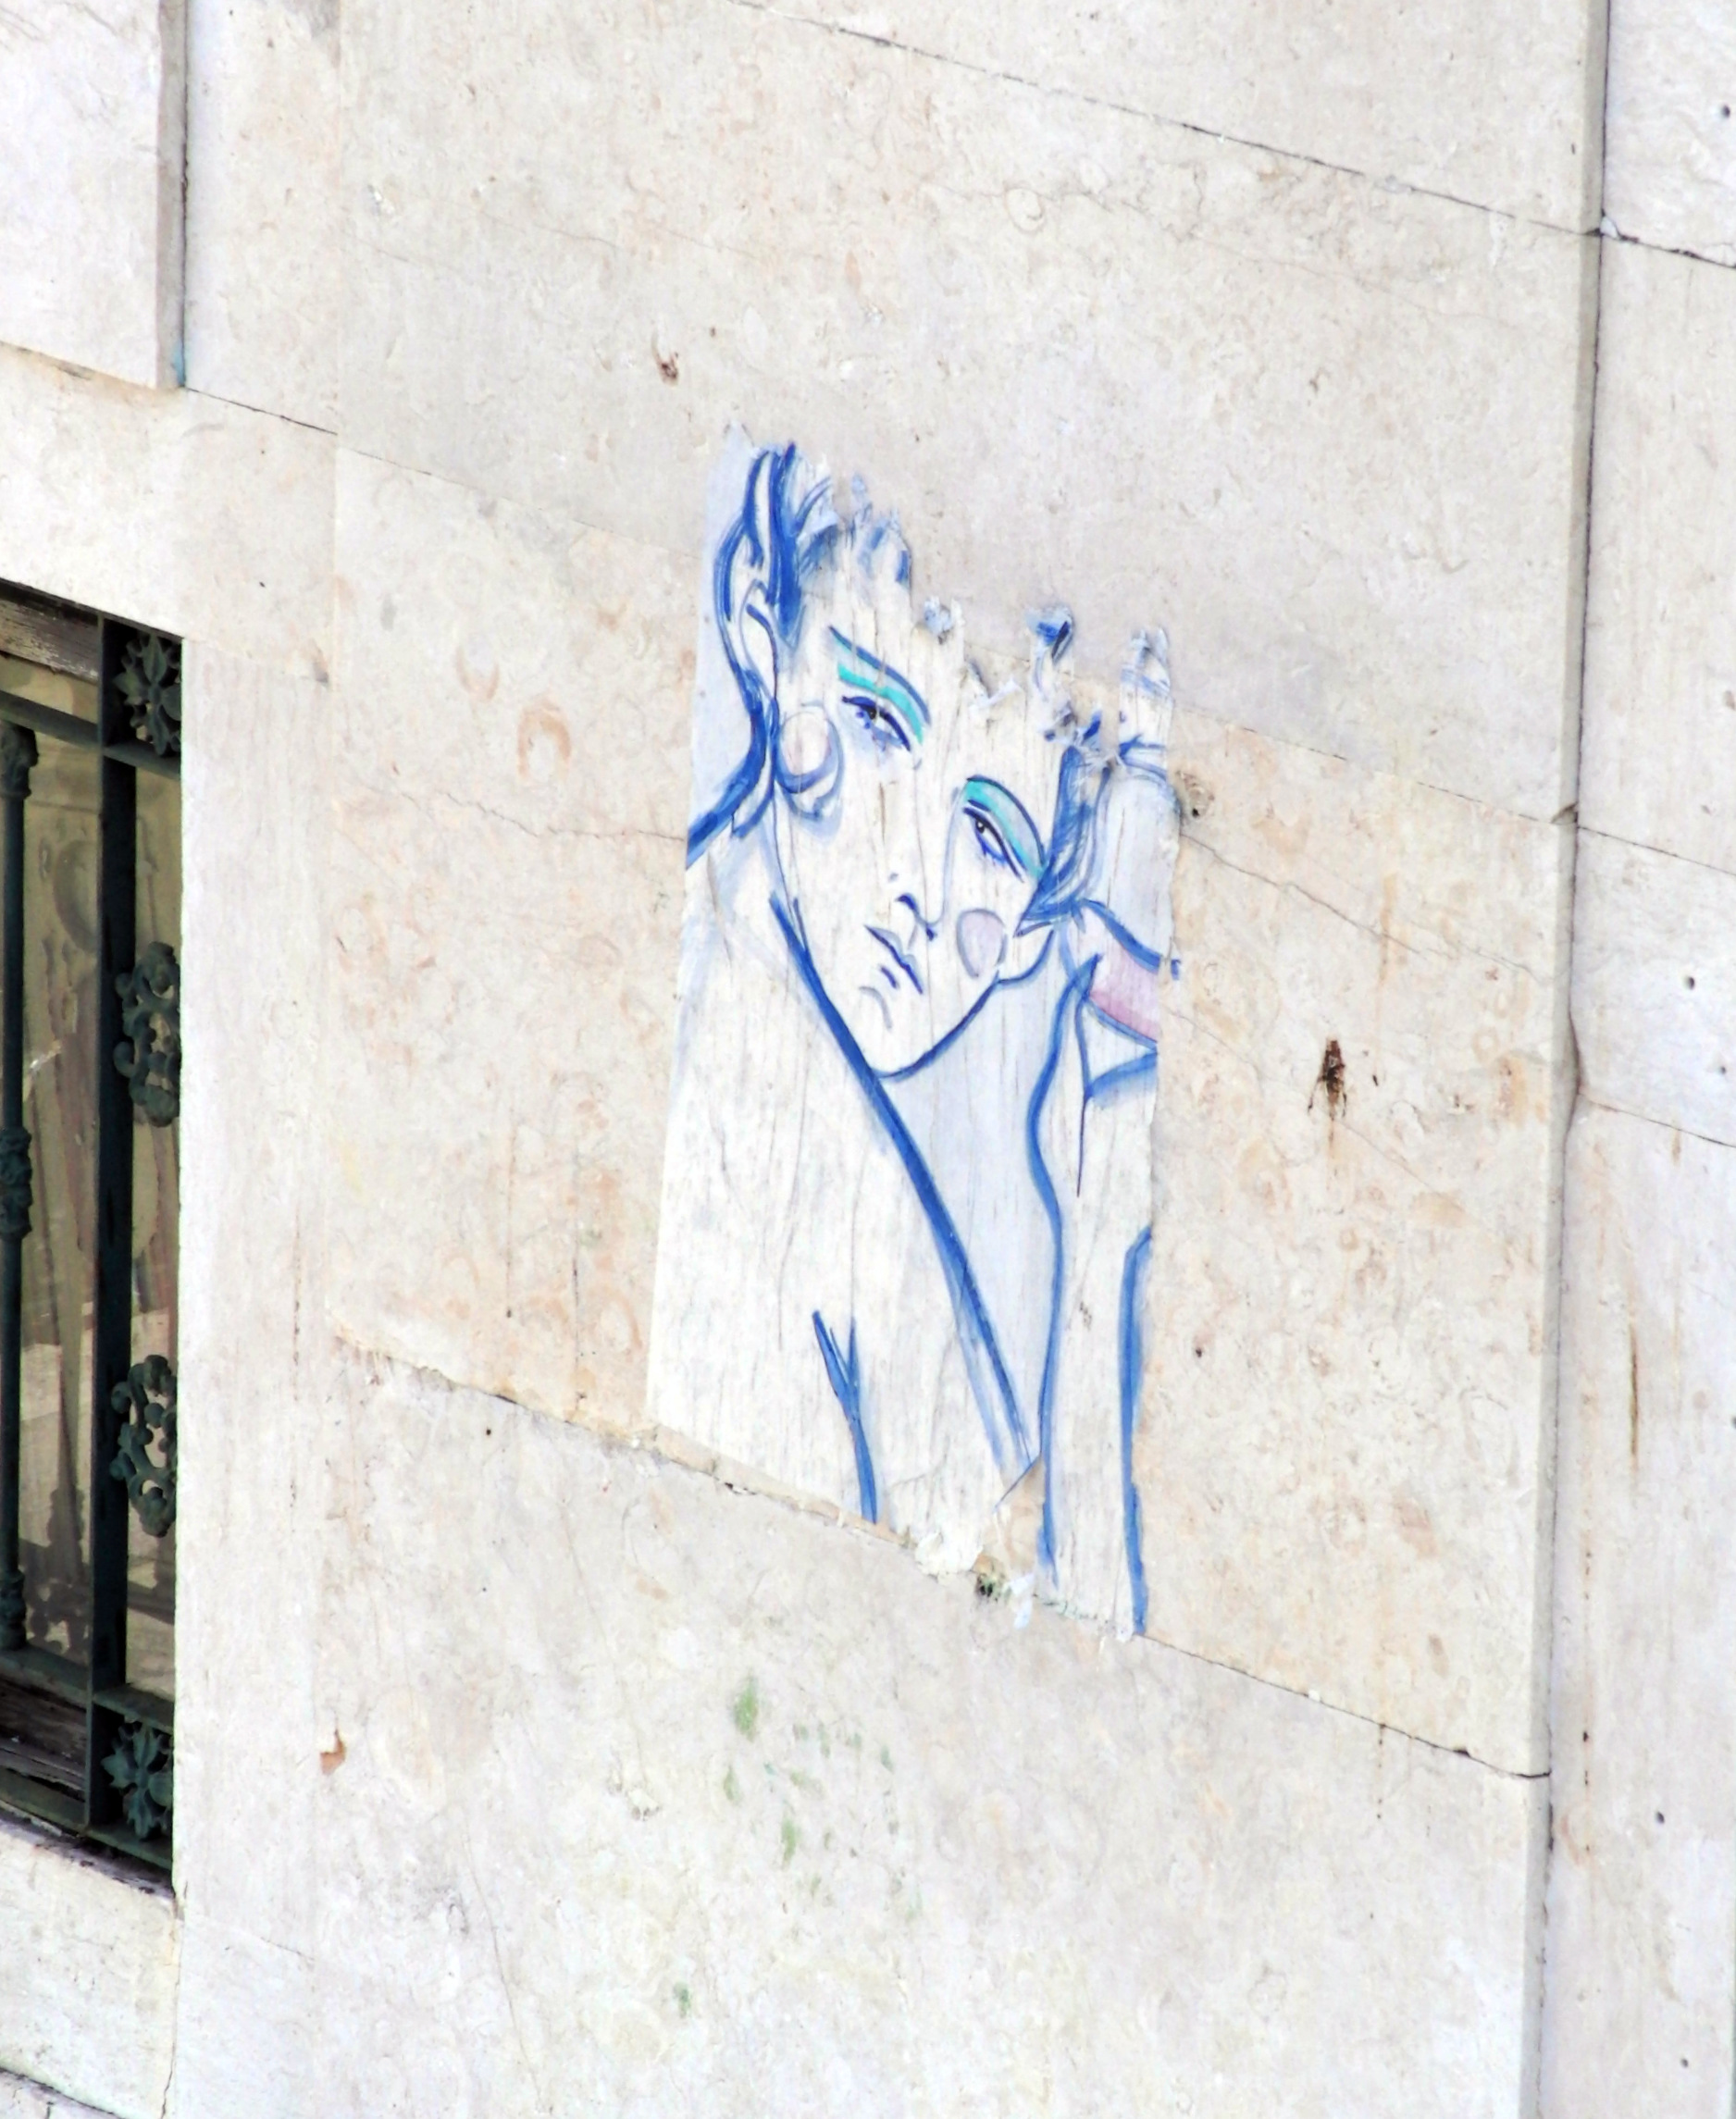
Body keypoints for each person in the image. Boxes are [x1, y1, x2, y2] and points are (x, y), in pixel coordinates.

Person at [645, 437, 1179, 1633]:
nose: (917, 889)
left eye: (991, 837)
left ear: (1037, 923)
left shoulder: (896, 1157)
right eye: (881, 722)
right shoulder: (753, 1116)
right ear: (761, 638)